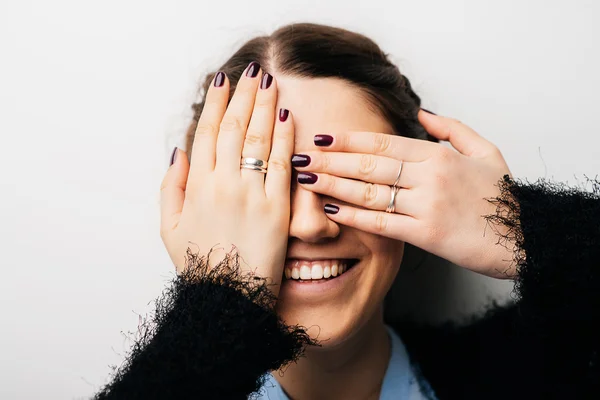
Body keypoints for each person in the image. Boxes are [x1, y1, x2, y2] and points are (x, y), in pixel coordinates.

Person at [94, 23, 600, 399]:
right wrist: (220, 297)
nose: (312, 224)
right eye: (266, 184)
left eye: (356, 179)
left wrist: (521, 226)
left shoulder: (524, 375)